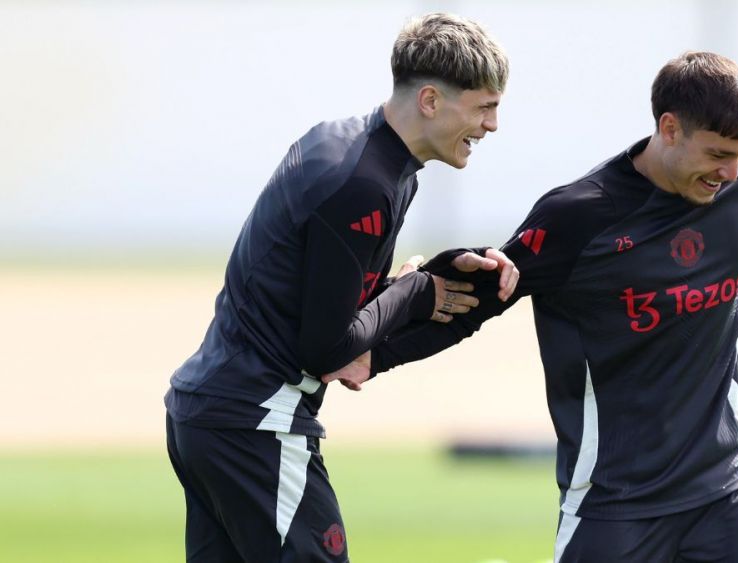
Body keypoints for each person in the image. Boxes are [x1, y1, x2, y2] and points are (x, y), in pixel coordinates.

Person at [334, 51, 738, 562]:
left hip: (725, 490)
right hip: (614, 503)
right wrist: (377, 355)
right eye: (718, 154)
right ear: (670, 128)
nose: (732, 171)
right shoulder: (581, 216)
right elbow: (479, 298)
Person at [164, 13, 518, 562]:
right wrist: (418, 292)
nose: (493, 125)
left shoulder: (348, 146)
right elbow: (324, 347)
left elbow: (318, 304)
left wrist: (407, 288)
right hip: (256, 422)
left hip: (212, 414)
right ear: (430, 100)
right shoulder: (364, 184)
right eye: (484, 107)